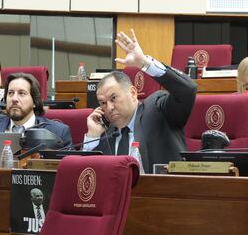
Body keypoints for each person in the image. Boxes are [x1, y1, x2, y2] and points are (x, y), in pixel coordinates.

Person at [83, 30, 197, 173]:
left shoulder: (157, 109)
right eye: (103, 103)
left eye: (113, 98)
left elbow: (188, 90)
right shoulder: (106, 133)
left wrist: (144, 62)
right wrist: (92, 137)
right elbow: (90, 177)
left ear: (132, 93)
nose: (109, 108)